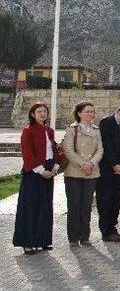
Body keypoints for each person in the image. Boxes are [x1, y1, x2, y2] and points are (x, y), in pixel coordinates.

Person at [13, 103, 63, 254]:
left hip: (49, 171)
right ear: (33, 114)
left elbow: (54, 151)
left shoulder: (49, 130)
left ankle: (43, 240)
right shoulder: (28, 131)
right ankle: (27, 242)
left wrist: (55, 167)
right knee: (30, 207)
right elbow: (28, 153)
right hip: (34, 172)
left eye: (44, 111)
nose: (42, 113)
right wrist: (41, 171)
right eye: (39, 111)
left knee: (45, 207)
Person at [63, 101, 103, 247]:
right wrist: (83, 164)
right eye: (87, 111)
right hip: (74, 173)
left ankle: (85, 236)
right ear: (79, 113)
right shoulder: (71, 129)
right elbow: (68, 150)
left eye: (92, 111)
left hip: (91, 173)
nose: (90, 114)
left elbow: (100, 150)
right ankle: (73, 237)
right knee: (74, 206)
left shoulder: (96, 130)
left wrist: (91, 164)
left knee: (87, 206)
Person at [97, 104, 120, 242]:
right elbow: (106, 146)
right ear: (119, 112)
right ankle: (106, 232)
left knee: (116, 201)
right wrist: (114, 164)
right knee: (105, 200)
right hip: (107, 170)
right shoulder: (106, 123)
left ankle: (113, 229)